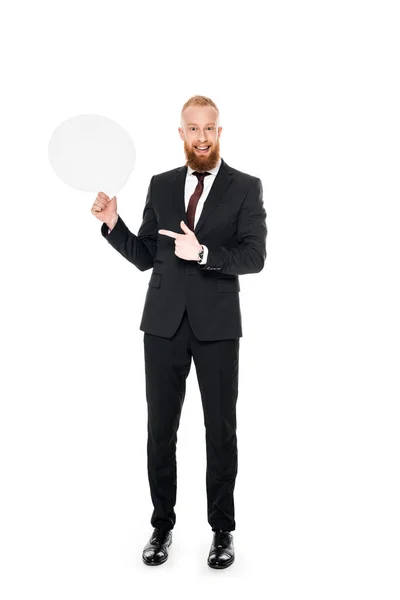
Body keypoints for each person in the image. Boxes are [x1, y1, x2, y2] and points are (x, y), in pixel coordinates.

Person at [91, 95, 267, 569]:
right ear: (181, 134)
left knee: (220, 431)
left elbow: (255, 257)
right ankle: (162, 523)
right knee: (159, 430)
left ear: (219, 133)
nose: (202, 136)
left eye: (209, 128)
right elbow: (147, 254)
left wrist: (205, 253)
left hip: (217, 328)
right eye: (193, 128)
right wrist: (114, 225)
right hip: (163, 325)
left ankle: (222, 530)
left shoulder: (245, 187)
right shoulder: (162, 185)